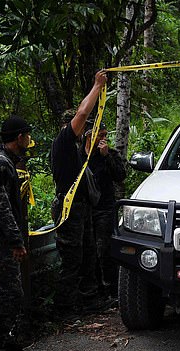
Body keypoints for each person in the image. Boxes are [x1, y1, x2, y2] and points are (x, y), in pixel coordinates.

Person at [50, 70, 107, 319]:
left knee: (87, 254)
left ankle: (89, 302)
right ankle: (64, 309)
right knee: (72, 259)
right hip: (69, 207)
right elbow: (83, 113)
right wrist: (97, 86)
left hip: (82, 207)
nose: (84, 127)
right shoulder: (63, 141)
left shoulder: (76, 148)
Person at [0, 115, 32, 351]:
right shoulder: (1, 164)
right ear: (19, 137)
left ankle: (3, 340)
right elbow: (0, 206)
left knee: (5, 290)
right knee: (10, 291)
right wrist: (16, 241)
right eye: (26, 135)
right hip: (0, 240)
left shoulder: (10, 162)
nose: (29, 140)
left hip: (4, 238)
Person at [82, 120, 126, 301]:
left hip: (105, 208)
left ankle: (112, 289)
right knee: (88, 250)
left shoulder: (110, 154)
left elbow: (120, 175)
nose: (103, 139)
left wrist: (106, 156)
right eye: (99, 135)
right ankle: (94, 290)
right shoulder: (80, 156)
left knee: (106, 249)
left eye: (105, 136)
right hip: (85, 209)